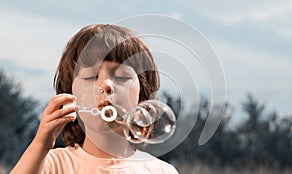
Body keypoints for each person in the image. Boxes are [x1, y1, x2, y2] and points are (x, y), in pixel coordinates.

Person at [11, 24, 178, 173]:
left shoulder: (160, 171)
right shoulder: (49, 164)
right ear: (70, 96)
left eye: (121, 77)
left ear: (142, 97)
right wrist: (41, 144)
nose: (106, 85)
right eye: (91, 77)